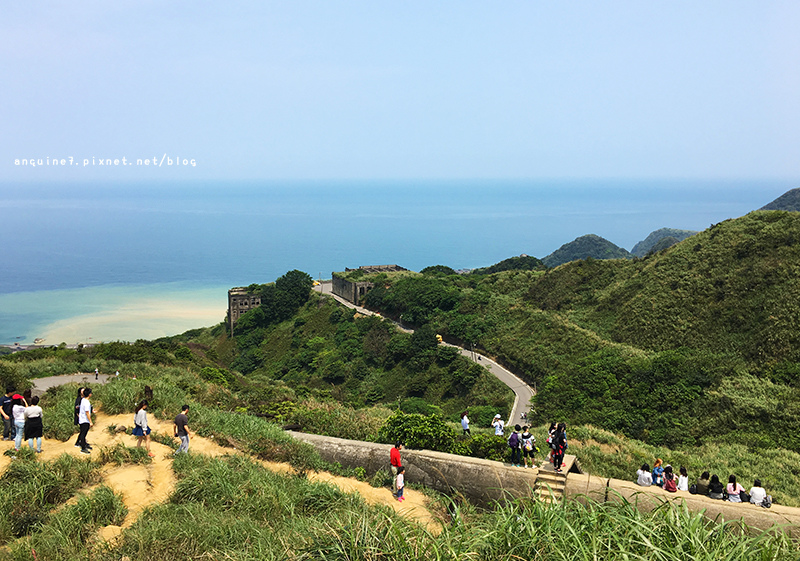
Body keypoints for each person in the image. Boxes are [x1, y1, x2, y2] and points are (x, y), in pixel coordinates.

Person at [75, 387, 93, 454]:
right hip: (85, 420)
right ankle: (83, 448)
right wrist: (90, 421)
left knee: (83, 433)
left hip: (82, 419)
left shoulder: (82, 400)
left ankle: (84, 445)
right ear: (89, 394)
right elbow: (87, 412)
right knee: (83, 434)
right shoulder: (86, 402)